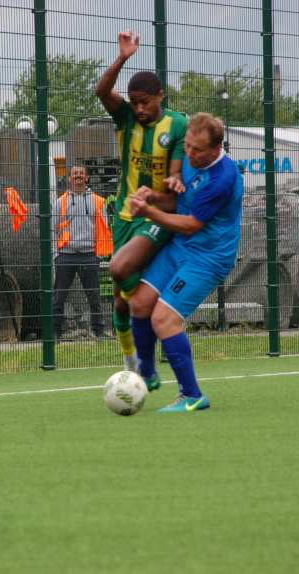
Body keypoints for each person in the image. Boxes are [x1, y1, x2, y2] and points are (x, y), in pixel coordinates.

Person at [128, 113, 243, 412]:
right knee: (139, 303)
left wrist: (147, 211)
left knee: (163, 319)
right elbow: (178, 204)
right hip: (182, 246)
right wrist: (152, 196)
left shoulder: (224, 178)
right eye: (188, 147)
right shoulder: (192, 160)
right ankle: (148, 374)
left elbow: (192, 223)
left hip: (208, 257)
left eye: (197, 150)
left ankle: (192, 396)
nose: (189, 155)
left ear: (216, 149)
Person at [95, 28, 187, 378]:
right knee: (122, 300)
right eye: (134, 102)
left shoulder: (177, 125)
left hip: (158, 216)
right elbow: (101, 91)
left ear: (160, 96)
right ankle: (133, 360)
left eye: (145, 101)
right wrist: (122, 57)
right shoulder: (127, 118)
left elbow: (175, 184)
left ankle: (150, 355)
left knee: (119, 269)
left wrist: (160, 192)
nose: (139, 108)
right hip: (124, 216)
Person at [52, 164, 113, 339]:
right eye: (74, 174)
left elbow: (104, 228)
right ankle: (55, 334)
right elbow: (52, 230)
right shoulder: (59, 202)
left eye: (81, 173)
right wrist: (55, 255)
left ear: (86, 178)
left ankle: (99, 333)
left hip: (89, 255)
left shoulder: (98, 202)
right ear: (69, 178)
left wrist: (98, 255)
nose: (78, 176)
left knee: (94, 297)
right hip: (65, 255)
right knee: (59, 298)